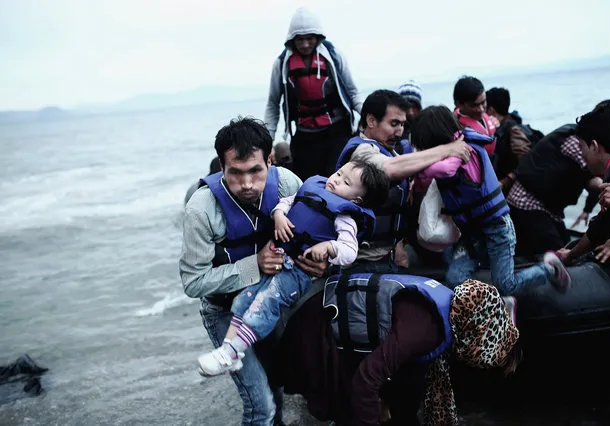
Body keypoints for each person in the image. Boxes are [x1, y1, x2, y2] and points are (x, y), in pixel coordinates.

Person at [180, 116, 326, 426]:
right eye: (236, 173)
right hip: (223, 310)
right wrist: (253, 267)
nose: (247, 184)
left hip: (272, 303)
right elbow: (193, 283)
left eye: (256, 171)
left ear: (270, 161)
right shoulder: (200, 209)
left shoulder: (288, 184)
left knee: (276, 386)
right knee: (260, 405)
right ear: (222, 166)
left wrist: (320, 263)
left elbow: (315, 239)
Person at [196, 160, 389, 377]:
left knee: (265, 304)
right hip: (278, 260)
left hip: (296, 273)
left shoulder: (345, 217)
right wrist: (278, 216)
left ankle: (230, 353)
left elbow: (349, 251)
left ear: (356, 199)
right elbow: (287, 202)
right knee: (244, 299)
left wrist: (328, 246)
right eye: (338, 173)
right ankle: (229, 351)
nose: (335, 180)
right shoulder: (314, 190)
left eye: (345, 182)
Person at [274, 275, 520, 426]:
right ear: (480, 338)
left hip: (331, 329)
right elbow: (367, 379)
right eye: (488, 360)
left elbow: (409, 379)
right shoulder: (426, 329)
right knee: (353, 414)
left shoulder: (450, 307)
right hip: (314, 334)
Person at [411, 105, 572, 296]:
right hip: (472, 234)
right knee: (454, 279)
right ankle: (499, 305)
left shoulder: (464, 150)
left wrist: (415, 165)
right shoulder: (450, 151)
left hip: (497, 229)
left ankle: (548, 270)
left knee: (505, 284)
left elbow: (446, 170)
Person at [334, 90, 471, 274]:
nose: (399, 132)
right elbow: (388, 169)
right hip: (361, 263)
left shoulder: (390, 152)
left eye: (403, 125)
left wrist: (399, 243)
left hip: (385, 257)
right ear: (371, 121)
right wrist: (447, 149)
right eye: (393, 124)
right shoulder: (361, 151)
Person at [264, 7, 362, 181]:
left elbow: (353, 92)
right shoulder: (281, 64)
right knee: (306, 183)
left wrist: (369, 121)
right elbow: (273, 104)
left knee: (337, 179)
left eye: (309, 38)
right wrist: (266, 142)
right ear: (292, 40)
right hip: (304, 136)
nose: (305, 44)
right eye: (300, 39)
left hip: (337, 131)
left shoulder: (334, 56)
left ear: (318, 37)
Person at [507, 111, 604, 257]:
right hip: (527, 201)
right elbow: (595, 177)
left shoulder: (577, 137)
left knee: (566, 243)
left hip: (548, 207)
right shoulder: (576, 143)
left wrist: (588, 209)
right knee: (557, 251)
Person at [557, 105, 610, 278]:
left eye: (581, 147)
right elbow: (599, 227)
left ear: (593, 146)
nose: (582, 156)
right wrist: (571, 254)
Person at [485, 87, 544, 192]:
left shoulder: (513, 130)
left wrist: (504, 182)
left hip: (513, 193)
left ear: (490, 110)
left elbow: (526, 164)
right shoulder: (506, 126)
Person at [453, 76, 499, 156]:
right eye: (474, 105)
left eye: (483, 102)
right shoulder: (455, 128)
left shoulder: (487, 119)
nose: (481, 109)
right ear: (459, 104)